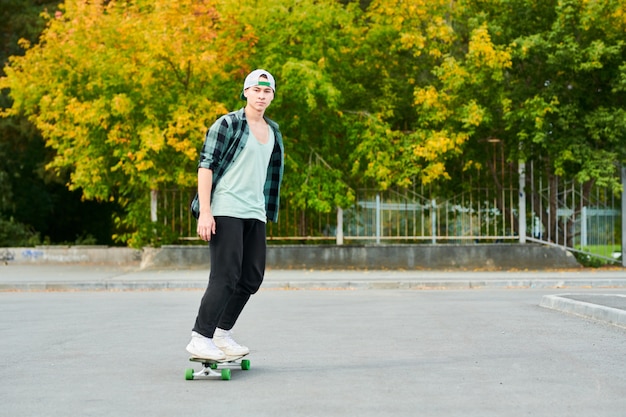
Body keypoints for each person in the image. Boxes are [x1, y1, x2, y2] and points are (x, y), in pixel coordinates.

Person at [186, 69, 284, 360]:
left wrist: (264, 211)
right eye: (256, 90)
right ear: (246, 92)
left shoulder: (273, 131)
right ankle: (200, 337)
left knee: (252, 277)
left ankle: (221, 333)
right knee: (225, 275)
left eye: (267, 92)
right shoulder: (228, 124)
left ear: (272, 96)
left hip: (254, 211)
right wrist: (206, 211)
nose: (261, 96)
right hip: (226, 208)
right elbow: (206, 166)